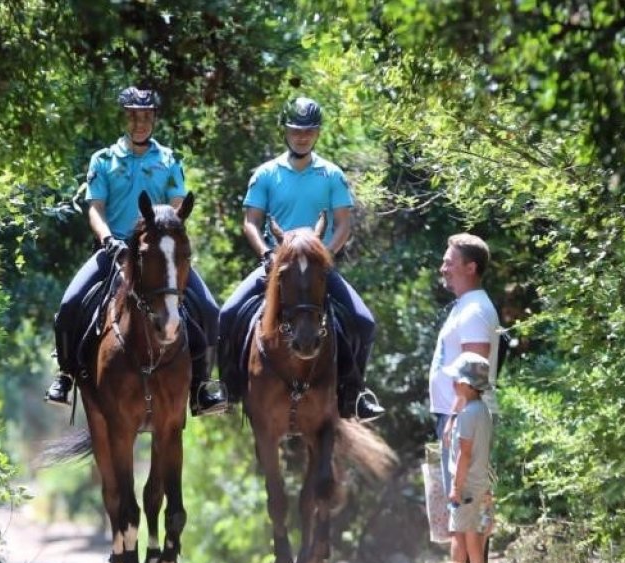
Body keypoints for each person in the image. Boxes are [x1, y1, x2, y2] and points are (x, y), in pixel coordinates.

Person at [45, 86, 228, 417]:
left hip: (158, 252)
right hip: (114, 250)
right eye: (133, 115)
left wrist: (164, 232)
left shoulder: (170, 160)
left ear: (154, 118)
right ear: (125, 117)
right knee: (70, 305)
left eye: (145, 116)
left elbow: (177, 205)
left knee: (210, 309)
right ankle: (66, 377)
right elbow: (95, 207)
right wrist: (107, 240)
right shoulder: (103, 160)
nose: (140, 122)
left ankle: (201, 387)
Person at [218, 97, 382, 422]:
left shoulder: (332, 175)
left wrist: (327, 255)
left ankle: (354, 395)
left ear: (317, 132)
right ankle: (228, 389)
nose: (301, 137)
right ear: (286, 131)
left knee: (364, 322)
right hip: (277, 266)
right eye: (295, 130)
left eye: (308, 131)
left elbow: (344, 222)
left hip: (318, 268)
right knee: (226, 314)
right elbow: (251, 221)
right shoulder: (265, 174)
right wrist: (266, 254)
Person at [429, 233, 500, 500]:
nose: (443, 268)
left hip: (463, 419)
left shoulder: (475, 310)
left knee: (467, 510)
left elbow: (475, 370)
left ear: (471, 268)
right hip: (455, 416)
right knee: (459, 513)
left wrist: (456, 418)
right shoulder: (465, 306)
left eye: (449, 263)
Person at [432, 352, 496, 563]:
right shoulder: (482, 410)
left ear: (467, 385)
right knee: (472, 533)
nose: (452, 384)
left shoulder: (468, 414)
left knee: (460, 534)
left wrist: (456, 488)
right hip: (479, 482)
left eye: (456, 380)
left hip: (466, 485)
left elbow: (464, 455)